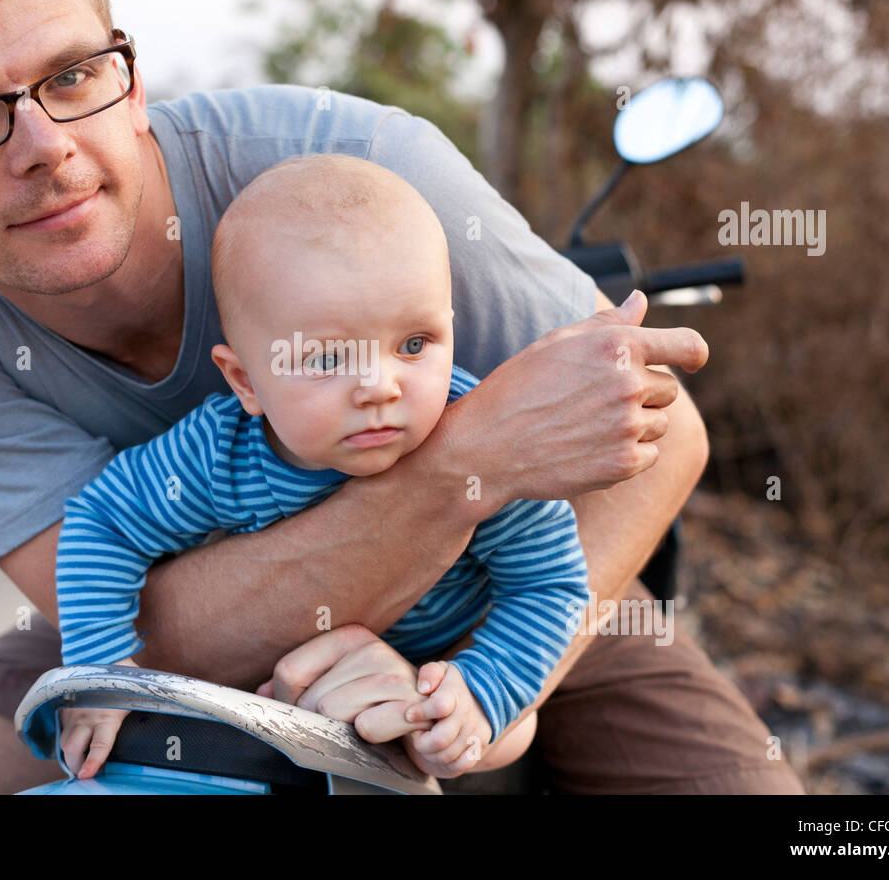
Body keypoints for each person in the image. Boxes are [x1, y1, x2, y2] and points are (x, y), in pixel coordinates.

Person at [0, 0, 803, 794]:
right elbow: (140, 626)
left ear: (132, 78)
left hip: (496, 589)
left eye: (71, 77)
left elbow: (664, 432)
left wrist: (484, 689)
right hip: (144, 614)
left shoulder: (356, 171)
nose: (42, 147)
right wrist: (474, 459)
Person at [54, 154, 590, 780]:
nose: (379, 386)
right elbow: (104, 521)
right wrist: (102, 668)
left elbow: (549, 584)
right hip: (286, 699)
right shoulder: (218, 452)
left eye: (414, 345)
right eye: (328, 358)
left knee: (505, 747)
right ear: (245, 381)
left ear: (450, 331)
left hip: (448, 670)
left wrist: (482, 691)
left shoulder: (479, 439)